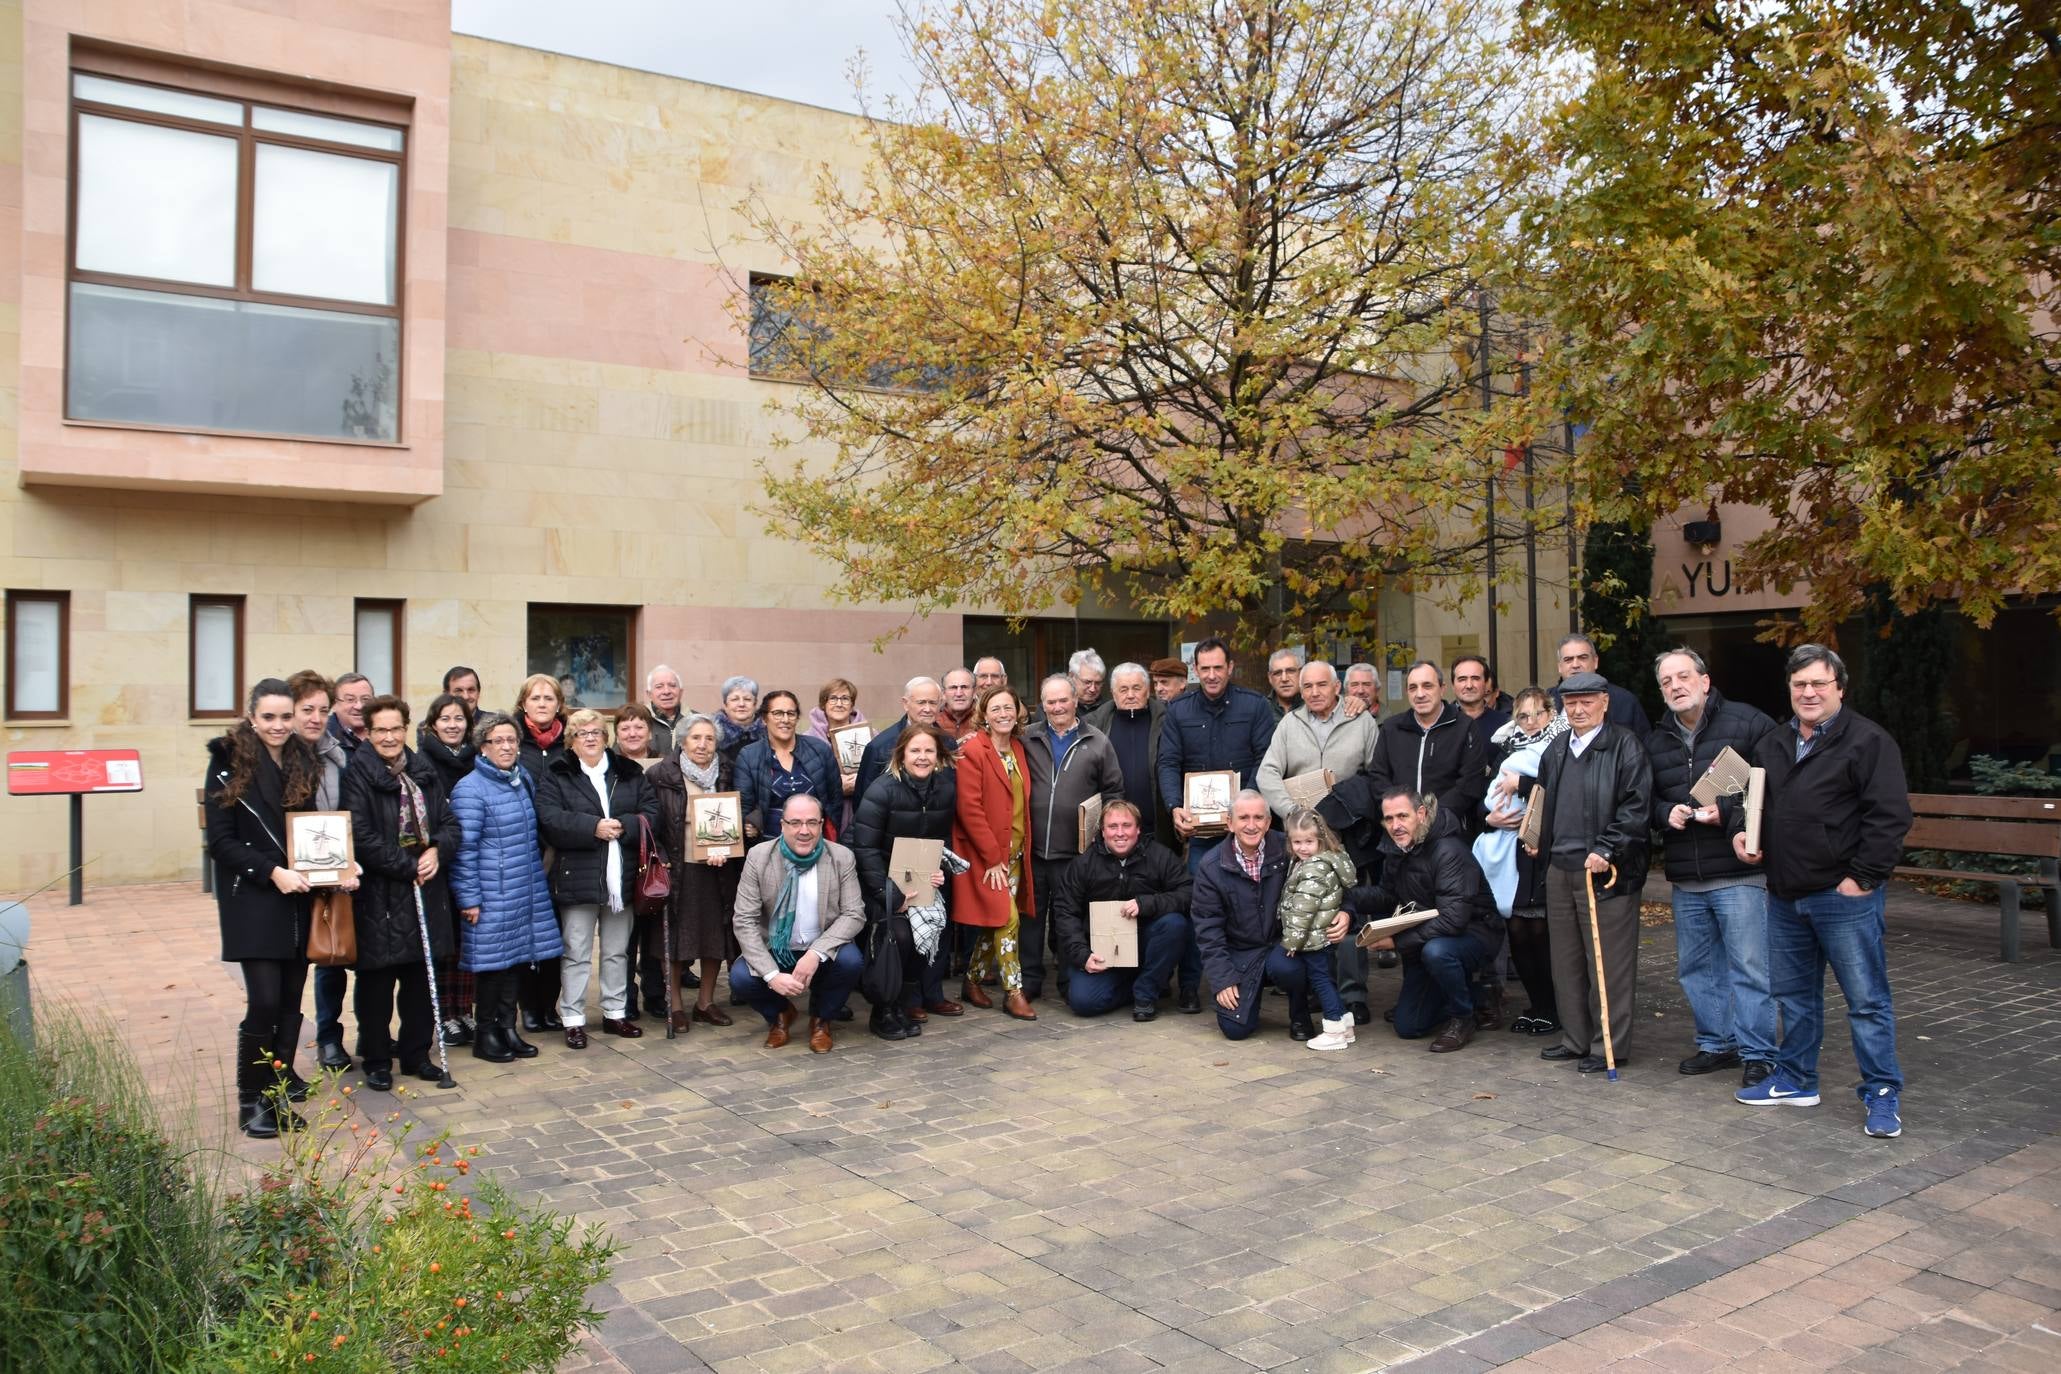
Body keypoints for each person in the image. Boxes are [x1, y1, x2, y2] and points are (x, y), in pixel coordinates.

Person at [1731, 644, 1912, 1138]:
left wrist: (1862, 879)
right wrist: (1742, 835)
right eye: (1799, 685)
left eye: (1818, 684)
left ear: (1839, 689)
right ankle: (1796, 1078)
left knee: (1866, 1000)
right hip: (1785, 895)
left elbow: (1890, 818)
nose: (1808, 693)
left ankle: (1881, 1091)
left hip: (1842, 896)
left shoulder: (1869, 742)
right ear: (1789, 689)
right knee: (1794, 997)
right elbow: (1749, 802)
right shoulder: (1772, 743)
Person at [1648, 648, 1780, 1087]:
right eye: (1667, 682)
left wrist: (1726, 815)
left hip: (1739, 873)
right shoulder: (1657, 738)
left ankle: (1758, 1052)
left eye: (1683, 677)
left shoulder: (1748, 723)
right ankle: (1716, 1043)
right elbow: (1646, 800)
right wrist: (1665, 812)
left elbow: (1774, 786)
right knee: (1697, 968)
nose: (1675, 686)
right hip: (1687, 875)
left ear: (1705, 680)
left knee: (1749, 966)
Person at [206, 678, 332, 1138]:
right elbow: (220, 841)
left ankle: (275, 1092)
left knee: (289, 1003)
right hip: (254, 897)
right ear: (252, 716)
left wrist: (336, 867)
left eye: (285, 717)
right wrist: (270, 872)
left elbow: (312, 830)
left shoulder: (302, 758)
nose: (278, 726)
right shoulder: (226, 759)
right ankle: (249, 1101)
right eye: (269, 717)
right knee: (263, 1001)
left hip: (298, 897)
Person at [1525, 670, 1653, 1073]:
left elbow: (1636, 809)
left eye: (1586, 701)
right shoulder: (1558, 748)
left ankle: (1607, 1046)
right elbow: (1542, 800)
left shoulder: (1625, 746)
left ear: (1604, 701)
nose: (1578, 709)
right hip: (1560, 868)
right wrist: (1535, 837)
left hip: (1603, 871)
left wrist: (1606, 848)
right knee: (1565, 961)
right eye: (1571, 702)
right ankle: (1575, 1039)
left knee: (1608, 964)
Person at [342, 696, 460, 1091]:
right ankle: (376, 1058)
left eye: (396, 729)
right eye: (381, 730)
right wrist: (406, 865)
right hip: (381, 894)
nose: (390, 737)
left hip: (425, 890)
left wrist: (437, 849)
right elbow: (360, 834)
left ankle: (415, 1054)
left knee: (420, 982)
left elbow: (448, 821)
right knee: (377, 984)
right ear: (369, 732)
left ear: (406, 729)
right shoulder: (358, 773)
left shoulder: (423, 770)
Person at [1159, 637, 1279, 1010]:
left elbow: (1266, 760)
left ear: (1230, 668)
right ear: (1195, 670)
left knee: (1256, 906)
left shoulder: (1255, 706)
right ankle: (1193, 987)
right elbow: (1168, 763)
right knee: (1201, 908)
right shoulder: (1179, 710)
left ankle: (1255, 978)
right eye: (1204, 668)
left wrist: (1246, 808)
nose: (1211, 675)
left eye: (1218, 667)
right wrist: (1175, 807)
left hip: (1248, 831)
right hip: (1200, 835)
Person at [535, 708, 662, 1047]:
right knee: (576, 950)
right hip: (577, 877)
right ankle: (573, 1018)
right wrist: (592, 827)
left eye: (596, 732)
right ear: (571, 741)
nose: (590, 738)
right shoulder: (557, 774)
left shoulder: (629, 772)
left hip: (621, 877)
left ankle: (615, 1013)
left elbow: (651, 813)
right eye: (582, 733)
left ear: (606, 738)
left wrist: (624, 825)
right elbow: (549, 818)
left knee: (617, 950)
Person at [1347, 788, 1506, 1052]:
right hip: (1428, 937)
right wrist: (1346, 898)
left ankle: (1462, 1018)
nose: (1395, 825)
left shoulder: (1449, 850)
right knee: (1408, 1027)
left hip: (1475, 933)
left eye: (1402, 816)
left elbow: (1454, 919)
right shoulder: (1397, 848)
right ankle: (1478, 995)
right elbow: (1387, 894)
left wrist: (1396, 942)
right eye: (1388, 819)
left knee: (1437, 952)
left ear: (1421, 814)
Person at [449, 712, 564, 1064]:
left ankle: (507, 1027)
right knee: (491, 968)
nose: (506, 746)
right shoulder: (470, 789)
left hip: (523, 888)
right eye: (497, 741)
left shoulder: (520, 779)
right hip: (490, 893)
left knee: (515, 962)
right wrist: (469, 898)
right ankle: (486, 1035)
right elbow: (463, 849)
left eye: (511, 740)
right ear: (482, 748)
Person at [848, 723, 961, 1039]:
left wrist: (942, 870)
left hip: (919, 881)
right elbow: (865, 849)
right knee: (899, 935)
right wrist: (890, 894)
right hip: (879, 882)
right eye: (915, 751)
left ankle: (900, 1004)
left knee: (929, 934)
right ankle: (882, 1011)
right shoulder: (881, 790)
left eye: (929, 751)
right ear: (901, 754)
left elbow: (941, 842)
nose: (922, 757)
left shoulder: (945, 790)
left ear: (938, 756)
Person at [730, 793, 868, 1052]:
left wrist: (816, 953)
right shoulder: (759, 857)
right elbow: (744, 920)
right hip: (777, 945)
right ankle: (780, 1014)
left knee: (851, 961)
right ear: (782, 825)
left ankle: (821, 1020)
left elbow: (854, 913)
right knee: (740, 978)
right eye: (795, 823)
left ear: (821, 824)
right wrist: (771, 976)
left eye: (812, 823)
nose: (804, 831)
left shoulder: (840, 857)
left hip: (820, 945)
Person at [1021, 674, 1125, 1001]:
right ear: (1042, 705)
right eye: (1050, 702)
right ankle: (1029, 981)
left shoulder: (1096, 741)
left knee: (1069, 919)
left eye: (1063, 700)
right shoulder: (1026, 738)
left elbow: (1113, 791)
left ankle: (1069, 981)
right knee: (1031, 921)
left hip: (1076, 852)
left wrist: (1099, 835)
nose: (1057, 707)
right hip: (1033, 849)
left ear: (1075, 700)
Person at [1194, 790, 1325, 1042]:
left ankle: (1300, 1012)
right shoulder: (1211, 866)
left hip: (1284, 946)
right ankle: (1248, 997)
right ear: (1230, 823)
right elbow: (1207, 929)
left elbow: (1331, 875)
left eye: (1258, 817)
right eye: (1243, 818)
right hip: (1240, 955)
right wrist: (1222, 979)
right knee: (1236, 1031)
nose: (1251, 825)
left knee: (1289, 967)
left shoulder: (1291, 848)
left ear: (1268, 822)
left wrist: (1346, 912)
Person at [1050, 801, 1192, 1020]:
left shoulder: (1159, 856)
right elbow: (1065, 912)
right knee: (1083, 1002)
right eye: (1113, 826)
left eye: (1126, 825)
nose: (1120, 833)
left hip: (1145, 946)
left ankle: (1146, 993)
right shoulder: (1083, 865)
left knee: (1175, 924)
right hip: (1102, 953)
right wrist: (1082, 955)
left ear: (1138, 829)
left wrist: (1147, 904)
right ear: (1103, 831)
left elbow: (1188, 892)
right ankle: (1147, 982)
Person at [643, 714, 741, 1032]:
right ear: (682, 741)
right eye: (696, 738)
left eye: (709, 738)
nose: (702, 744)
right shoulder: (661, 774)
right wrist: (660, 854)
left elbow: (737, 815)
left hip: (718, 870)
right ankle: (676, 1006)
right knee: (674, 941)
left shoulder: (727, 772)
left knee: (715, 937)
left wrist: (726, 848)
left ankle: (705, 1003)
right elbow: (650, 820)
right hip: (679, 868)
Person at [1477, 688, 1564, 1036]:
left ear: (1550, 714)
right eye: (1522, 716)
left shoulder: (1561, 745)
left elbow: (1564, 788)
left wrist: (1523, 782)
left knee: (1541, 934)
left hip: (1542, 854)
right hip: (1512, 855)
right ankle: (1536, 1005)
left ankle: (1554, 1008)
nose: (1530, 723)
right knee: (1518, 932)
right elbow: (1487, 799)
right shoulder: (1505, 750)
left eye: (1537, 714)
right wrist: (1490, 818)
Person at [950, 685, 1037, 1020]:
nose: (1004, 714)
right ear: (983, 714)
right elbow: (969, 809)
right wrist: (992, 859)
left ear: (1017, 712)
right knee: (1007, 920)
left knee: (994, 922)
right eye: (996, 708)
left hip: (1015, 852)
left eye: (1009, 708)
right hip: (987, 857)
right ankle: (1013, 991)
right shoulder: (973, 750)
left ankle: (971, 981)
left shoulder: (1017, 748)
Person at [416, 691, 478, 1046]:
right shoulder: (423, 761)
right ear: (433, 725)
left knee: (467, 937)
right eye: (445, 719)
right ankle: (444, 1015)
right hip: (439, 859)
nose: (452, 726)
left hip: (471, 859)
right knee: (443, 940)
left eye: (459, 719)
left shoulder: (474, 758)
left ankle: (464, 1009)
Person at [511, 673, 570, 1032]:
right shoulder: (513, 741)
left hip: (563, 852)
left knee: (558, 932)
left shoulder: (570, 743)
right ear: (523, 704)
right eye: (536, 698)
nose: (543, 704)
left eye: (549, 698)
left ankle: (550, 1005)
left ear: (559, 704)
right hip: (525, 851)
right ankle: (528, 1007)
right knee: (525, 933)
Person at [1277, 809, 1357, 1051]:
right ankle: (1345, 1025)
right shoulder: (1326, 860)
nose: (1302, 847)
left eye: (1309, 842)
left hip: (1312, 937)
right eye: (1297, 842)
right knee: (1326, 979)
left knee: (1321, 981)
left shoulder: (1313, 868)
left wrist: (1292, 943)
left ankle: (1334, 1029)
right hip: (1319, 934)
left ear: (1320, 840)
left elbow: (1303, 910)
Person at [609, 702, 667, 1019]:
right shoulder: (609, 769)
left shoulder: (665, 764)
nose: (633, 733)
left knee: (654, 929)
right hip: (622, 860)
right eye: (625, 727)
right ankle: (626, 995)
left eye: (639, 726)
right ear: (616, 733)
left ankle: (655, 993)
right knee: (625, 935)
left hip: (658, 859)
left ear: (649, 730)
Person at [1085, 662, 1175, 845]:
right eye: (1123, 689)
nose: (1131, 695)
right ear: (1113, 693)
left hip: (1159, 830)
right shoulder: (1094, 725)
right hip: (1112, 834)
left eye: (1136, 688)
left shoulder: (1167, 720)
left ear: (1148, 690)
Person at [736, 690, 842, 842]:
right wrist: (749, 824)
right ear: (765, 718)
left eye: (791, 713)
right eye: (778, 713)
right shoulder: (749, 756)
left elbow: (834, 801)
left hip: (815, 844)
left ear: (797, 717)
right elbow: (743, 807)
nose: (785, 719)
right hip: (769, 846)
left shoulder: (820, 750)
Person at [854, 676, 947, 802]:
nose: (927, 709)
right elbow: (864, 800)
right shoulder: (880, 747)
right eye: (921, 702)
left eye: (933, 702)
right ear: (905, 704)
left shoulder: (948, 744)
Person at [806, 677, 869, 832]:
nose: (839, 704)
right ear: (823, 703)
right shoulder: (807, 740)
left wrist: (861, 782)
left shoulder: (870, 736)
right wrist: (837, 787)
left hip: (863, 812)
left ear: (852, 704)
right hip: (823, 816)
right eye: (833, 698)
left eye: (845, 699)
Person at [1554, 635, 1649, 735]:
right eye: (1568, 660)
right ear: (1560, 667)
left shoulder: (1625, 702)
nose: (1575, 664)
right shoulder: (1546, 701)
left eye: (1582, 658)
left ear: (1595, 662)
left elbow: (1640, 746)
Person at [1452, 656, 1511, 758]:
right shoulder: (1440, 723)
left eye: (1475, 678)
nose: (1469, 685)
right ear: (1453, 685)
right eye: (1462, 679)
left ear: (1486, 683)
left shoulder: (1506, 725)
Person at [714, 674, 764, 765]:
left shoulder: (768, 735)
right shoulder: (712, 734)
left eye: (747, 699)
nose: (741, 704)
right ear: (725, 704)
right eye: (735, 699)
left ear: (755, 703)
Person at [645, 665, 687, 754]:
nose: (666, 691)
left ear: (681, 692)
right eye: (659, 687)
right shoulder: (638, 721)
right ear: (649, 694)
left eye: (672, 685)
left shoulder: (696, 721)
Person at [937, 667, 979, 741]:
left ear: (974, 692)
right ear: (943, 693)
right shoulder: (933, 721)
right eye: (953, 687)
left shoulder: (985, 719)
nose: (959, 693)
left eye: (964, 687)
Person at [1265, 647, 1305, 718]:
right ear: (1270, 678)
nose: (1284, 679)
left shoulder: (1313, 706)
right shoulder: (1261, 708)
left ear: (1301, 673)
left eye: (1290, 671)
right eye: (1278, 673)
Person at [1069, 648, 1108, 712]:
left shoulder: (1108, 710)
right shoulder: (1060, 707)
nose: (1092, 689)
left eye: (1098, 683)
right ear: (1071, 677)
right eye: (1087, 682)